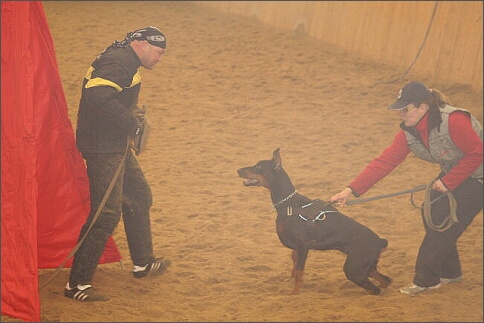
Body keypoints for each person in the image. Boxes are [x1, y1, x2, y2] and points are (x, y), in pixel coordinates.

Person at [330, 81, 483, 295]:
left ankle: (426, 280)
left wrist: (449, 182)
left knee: (442, 229)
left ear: (423, 107)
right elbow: (385, 162)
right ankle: (451, 272)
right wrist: (350, 190)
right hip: (459, 173)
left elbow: (477, 153)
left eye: (405, 109)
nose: (401, 114)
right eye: (399, 109)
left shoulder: (454, 120)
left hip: (478, 178)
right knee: (435, 217)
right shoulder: (409, 132)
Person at [64, 26, 171, 302]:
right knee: (106, 213)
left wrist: (129, 119)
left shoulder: (126, 59)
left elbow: (109, 98)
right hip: (103, 147)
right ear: (142, 44)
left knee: (138, 195)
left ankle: (143, 262)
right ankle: (77, 285)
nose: (160, 58)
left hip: (114, 144)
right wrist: (132, 124)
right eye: (159, 52)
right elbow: (96, 98)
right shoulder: (119, 61)